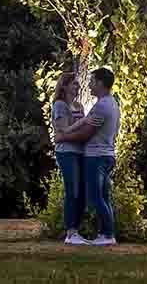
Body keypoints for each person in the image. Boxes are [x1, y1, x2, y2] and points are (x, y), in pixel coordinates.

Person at [53, 67, 120, 246]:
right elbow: (82, 123)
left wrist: (64, 135)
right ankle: (76, 231)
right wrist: (65, 133)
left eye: (90, 81)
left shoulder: (101, 105)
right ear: (64, 87)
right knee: (81, 192)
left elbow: (85, 133)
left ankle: (106, 234)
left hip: (96, 155)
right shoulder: (105, 104)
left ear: (100, 83)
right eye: (74, 83)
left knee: (94, 196)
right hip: (76, 153)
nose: (85, 86)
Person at [50, 72, 89, 245]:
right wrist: (83, 125)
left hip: (80, 151)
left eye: (78, 84)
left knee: (81, 191)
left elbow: (68, 132)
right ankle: (70, 231)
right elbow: (63, 130)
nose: (78, 87)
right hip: (66, 152)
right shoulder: (59, 105)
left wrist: (79, 132)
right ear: (64, 86)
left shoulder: (79, 105)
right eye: (74, 84)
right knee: (72, 189)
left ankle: (76, 230)